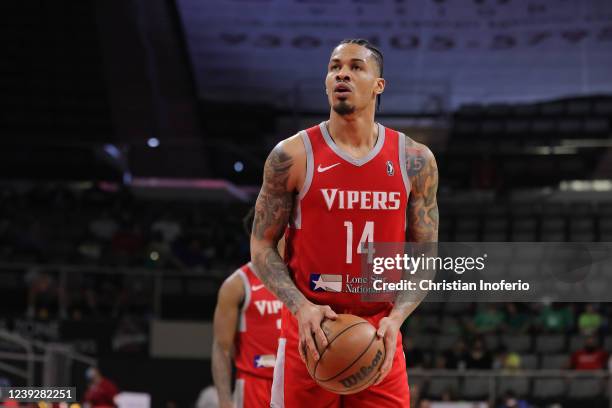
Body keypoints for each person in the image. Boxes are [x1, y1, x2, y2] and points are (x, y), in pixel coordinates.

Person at [250, 38, 439, 407]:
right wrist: (300, 307)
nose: (342, 74)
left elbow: (425, 255)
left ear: (378, 84)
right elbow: (261, 245)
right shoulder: (291, 155)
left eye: (356, 67)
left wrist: (397, 318)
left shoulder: (415, 160)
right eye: (335, 67)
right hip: (310, 330)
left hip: (377, 333)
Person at [212, 209, 283, 408]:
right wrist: (225, 402)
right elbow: (221, 348)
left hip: (298, 380)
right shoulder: (237, 284)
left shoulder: (302, 276)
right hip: (256, 383)